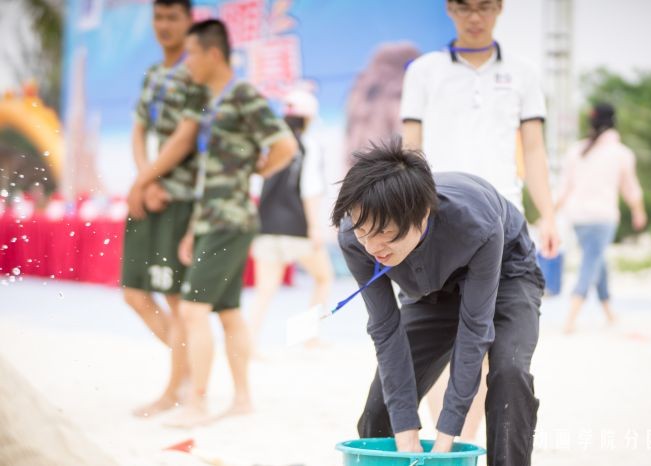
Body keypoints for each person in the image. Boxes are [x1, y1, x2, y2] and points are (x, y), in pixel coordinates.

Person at [400, 0, 559, 442]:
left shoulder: (523, 73)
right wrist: (409, 215)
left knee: (487, 344)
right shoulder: (423, 71)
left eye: (485, 6)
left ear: (499, 8)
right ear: (449, 9)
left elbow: (533, 151)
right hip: (436, 221)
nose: (475, 16)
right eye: (465, 7)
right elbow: (411, 148)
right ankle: (450, 445)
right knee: (437, 345)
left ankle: (459, 446)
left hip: (502, 222)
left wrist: (548, 214)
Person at [332, 139, 544, 466]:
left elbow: (475, 330)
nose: (373, 247)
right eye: (364, 233)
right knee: (382, 408)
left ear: (422, 216)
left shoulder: (477, 222)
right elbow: (386, 330)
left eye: (385, 233)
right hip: (430, 290)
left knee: (509, 373)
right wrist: (406, 433)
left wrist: (446, 439)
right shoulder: (354, 237)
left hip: (507, 275)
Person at [130, 19, 297, 427]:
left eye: (193, 54)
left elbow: (285, 145)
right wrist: (193, 228)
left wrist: (258, 170)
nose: (187, 62)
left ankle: (197, 402)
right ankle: (242, 399)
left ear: (214, 54)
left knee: (192, 310)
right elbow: (207, 174)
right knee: (228, 312)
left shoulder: (242, 94)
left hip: (230, 219)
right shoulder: (210, 100)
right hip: (211, 219)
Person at [121, 0, 204, 418]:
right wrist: (144, 181)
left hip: (179, 200)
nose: (164, 24)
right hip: (149, 194)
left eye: (173, 17)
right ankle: (187, 369)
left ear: (189, 20)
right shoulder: (153, 74)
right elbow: (139, 130)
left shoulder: (196, 71)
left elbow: (185, 139)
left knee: (175, 299)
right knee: (134, 293)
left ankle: (175, 388)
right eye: (158, 16)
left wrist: (145, 182)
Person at [248, 89, 334, 354]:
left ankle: (249, 344)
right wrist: (314, 227)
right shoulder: (308, 146)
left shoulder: (269, 145)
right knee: (323, 278)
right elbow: (310, 189)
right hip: (297, 228)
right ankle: (308, 337)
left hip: (265, 227)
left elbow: (255, 185)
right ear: (307, 119)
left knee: (264, 291)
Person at [557, 102, 646, 334]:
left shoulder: (576, 151)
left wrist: (550, 213)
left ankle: (608, 312)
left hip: (577, 218)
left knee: (598, 260)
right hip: (603, 218)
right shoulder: (622, 153)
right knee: (591, 262)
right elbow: (630, 188)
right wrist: (638, 210)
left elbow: (563, 188)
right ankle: (571, 317)